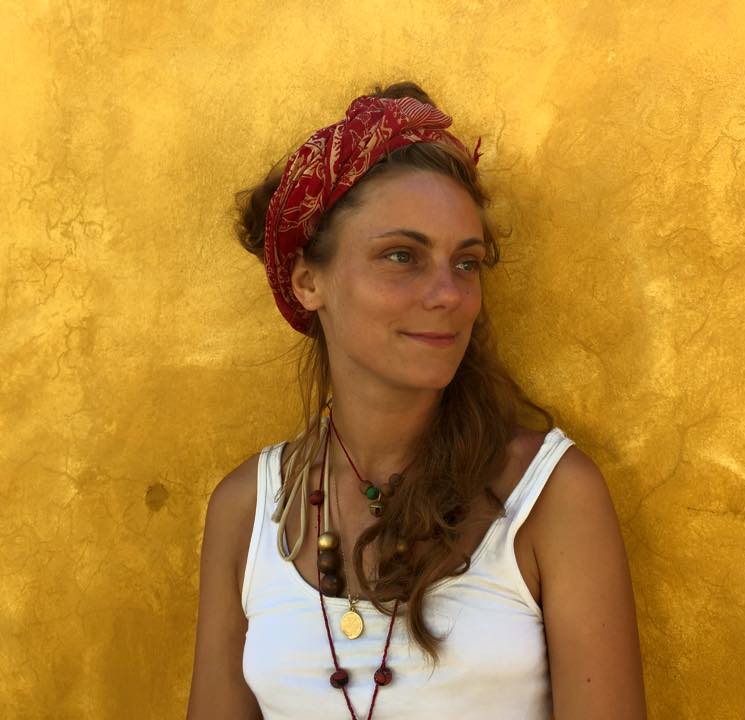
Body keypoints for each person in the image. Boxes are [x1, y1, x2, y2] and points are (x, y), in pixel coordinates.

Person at [186, 81, 646, 720]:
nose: (449, 294)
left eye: (466, 263)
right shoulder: (251, 509)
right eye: (402, 256)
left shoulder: (550, 496)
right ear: (309, 280)